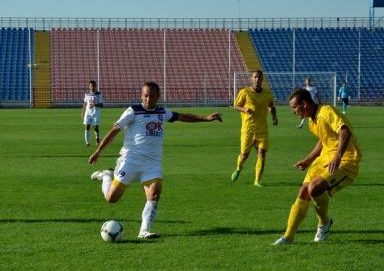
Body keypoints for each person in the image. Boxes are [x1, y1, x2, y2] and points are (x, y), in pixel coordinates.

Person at [88, 82, 223, 239]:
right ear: (141, 96)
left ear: (158, 97)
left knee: (154, 194)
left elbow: (181, 116)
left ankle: (144, 230)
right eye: (145, 95)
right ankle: (106, 176)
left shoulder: (161, 112)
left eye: (152, 96)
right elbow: (115, 129)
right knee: (111, 199)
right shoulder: (133, 111)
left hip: (152, 163)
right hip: (130, 160)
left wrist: (205, 118)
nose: (148, 99)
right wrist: (98, 151)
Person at [273, 88, 362, 245]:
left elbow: (345, 132)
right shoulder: (311, 121)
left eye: (294, 107)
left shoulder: (326, 112)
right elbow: (324, 139)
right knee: (303, 192)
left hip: (346, 160)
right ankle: (288, 237)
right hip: (324, 159)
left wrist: (337, 157)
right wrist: (308, 160)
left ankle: (323, 224)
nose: (293, 111)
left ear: (305, 104)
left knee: (314, 188)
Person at [231, 70, 278, 187]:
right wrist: (244, 109)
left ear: (262, 79)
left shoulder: (267, 94)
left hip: (262, 130)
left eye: (259, 77)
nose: (257, 79)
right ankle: (238, 168)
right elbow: (235, 106)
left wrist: (274, 117)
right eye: (255, 77)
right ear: (251, 79)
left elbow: (271, 106)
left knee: (262, 154)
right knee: (244, 155)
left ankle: (257, 181)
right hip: (248, 130)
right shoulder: (244, 92)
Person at [82, 80, 104, 147]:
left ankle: (97, 138)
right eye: (91, 85)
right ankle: (87, 142)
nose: (92, 87)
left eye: (94, 85)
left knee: (95, 127)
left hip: (96, 113)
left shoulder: (99, 94)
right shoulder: (87, 94)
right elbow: (85, 104)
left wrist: (95, 104)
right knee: (87, 127)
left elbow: (102, 105)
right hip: (88, 113)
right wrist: (83, 112)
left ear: (96, 86)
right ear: (89, 86)